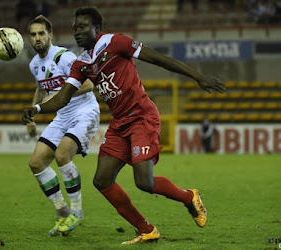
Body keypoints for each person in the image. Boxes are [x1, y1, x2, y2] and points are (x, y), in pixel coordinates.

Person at [22, 6, 226, 244]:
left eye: (82, 26)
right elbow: (62, 97)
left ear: (97, 28)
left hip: (141, 116)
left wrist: (198, 76)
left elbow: (158, 58)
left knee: (144, 182)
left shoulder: (115, 42)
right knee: (102, 180)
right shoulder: (82, 63)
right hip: (119, 123)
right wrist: (36, 109)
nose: (77, 31)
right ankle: (146, 229)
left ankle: (189, 196)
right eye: (75, 27)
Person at [26, 15, 100, 236]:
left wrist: (60, 94)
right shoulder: (34, 64)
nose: (37, 38)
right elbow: (41, 88)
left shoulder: (64, 57)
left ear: (50, 35)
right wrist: (33, 114)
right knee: (36, 162)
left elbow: (88, 84)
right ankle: (62, 212)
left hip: (84, 111)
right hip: (62, 115)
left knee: (62, 156)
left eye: (41, 33)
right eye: (33, 34)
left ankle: (77, 212)